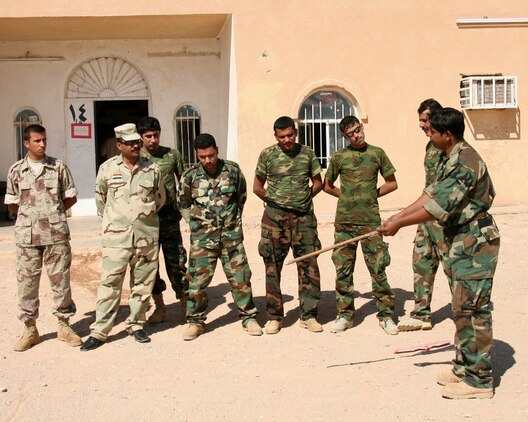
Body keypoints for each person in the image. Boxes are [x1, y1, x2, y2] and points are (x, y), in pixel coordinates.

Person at [379, 108, 499, 400]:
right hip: (460, 238)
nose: (427, 134)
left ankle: (480, 380)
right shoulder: (449, 156)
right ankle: (464, 368)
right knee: (461, 306)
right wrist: (398, 215)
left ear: (447, 135)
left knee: (474, 309)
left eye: (431, 131)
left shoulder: (466, 161)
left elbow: (438, 206)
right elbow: (429, 195)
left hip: (475, 242)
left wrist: (399, 224)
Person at [81, 123, 165, 351]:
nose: (136, 145)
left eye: (137, 141)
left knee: (143, 283)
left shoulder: (152, 168)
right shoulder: (107, 169)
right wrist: (118, 221)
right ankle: (100, 331)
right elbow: (101, 200)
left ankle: (137, 324)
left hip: (145, 237)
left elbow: (159, 199)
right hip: (116, 238)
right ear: (119, 145)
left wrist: (141, 220)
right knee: (110, 283)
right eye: (130, 143)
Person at [5, 124, 81, 351]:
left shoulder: (57, 167)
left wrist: (53, 214)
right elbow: (11, 203)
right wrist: (32, 218)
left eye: (44, 140)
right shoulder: (16, 170)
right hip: (27, 238)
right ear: (26, 143)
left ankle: (64, 325)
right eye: (37, 141)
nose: (42, 144)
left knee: (61, 282)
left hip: (56, 235)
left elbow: (71, 198)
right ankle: (30, 329)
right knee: (27, 284)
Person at [178, 133, 262, 340]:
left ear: (217, 150)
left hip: (231, 238)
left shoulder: (232, 170)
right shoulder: (189, 177)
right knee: (197, 282)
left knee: (241, 279)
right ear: (197, 156)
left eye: (211, 155)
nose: (207, 160)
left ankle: (249, 317)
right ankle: (195, 321)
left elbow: (241, 196)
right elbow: (184, 203)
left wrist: (232, 220)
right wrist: (196, 223)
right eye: (202, 157)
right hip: (202, 240)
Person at [323, 115, 399, 335]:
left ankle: (386, 316)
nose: (356, 136)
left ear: (362, 127)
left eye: (357, 130)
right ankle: (345, 315)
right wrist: (346, 196)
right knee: (343, 271)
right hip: (345, 222)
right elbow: (328, 186)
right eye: (350, 134)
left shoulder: (377, 153)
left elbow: (392, 183)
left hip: (371, 222)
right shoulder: (339, 157)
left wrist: (370, 196)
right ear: (344, 137)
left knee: (378, 269)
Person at [253, 116, 323, 335]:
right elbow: (257, 187)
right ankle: (274, 316)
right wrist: (276, 202)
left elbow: (318, 183)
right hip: (274, 220)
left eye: (290, 135)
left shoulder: (307, 154)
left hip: (303, 220)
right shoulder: (267, 155)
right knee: (272, 266)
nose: (287, 140)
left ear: (296, 132)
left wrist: (301, 201)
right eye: (282, 136)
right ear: (276, 136)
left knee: (308, 266)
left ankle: (308, 315)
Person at [398, 99, 448, 331]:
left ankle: (466, 314)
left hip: (444, 218)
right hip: (426, 216)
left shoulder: (449, 147)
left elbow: (442, 190)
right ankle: (421, 313)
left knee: (452, 267)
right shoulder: (430, 146)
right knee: (421, 261)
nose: (421, 125)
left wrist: (403, 218)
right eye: (420, 120)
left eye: (425, 120)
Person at [138, 116, 188, 323]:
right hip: (146, 220)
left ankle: (186, 306)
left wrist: (185, 211)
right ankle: (160, 308)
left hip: (169, 218)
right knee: (150, 265)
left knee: (176, 261)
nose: (152, 140)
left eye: (155, 135)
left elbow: (184, 183)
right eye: (148, 136)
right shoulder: (136, 157)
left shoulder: (172, 155)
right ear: (141, 137)